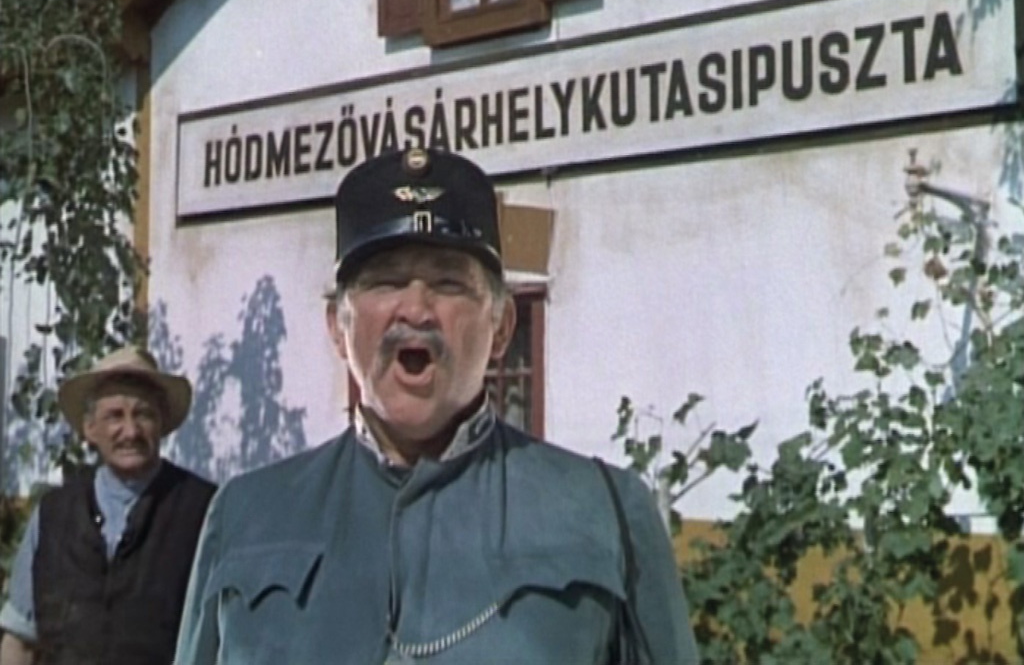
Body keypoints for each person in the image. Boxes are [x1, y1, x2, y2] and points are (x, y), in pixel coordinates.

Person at [174, 148, 700, 664]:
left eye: (449, 283)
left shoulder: (604, 510)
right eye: (386, 281)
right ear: (338, 326)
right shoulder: (246, 515)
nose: (417, 309)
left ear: (502, 327)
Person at [0, 346, 217, 665]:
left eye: (143, 414)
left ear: (162, 423)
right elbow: (20, 639)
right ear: (90, 429)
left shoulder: (204, 510)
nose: (131, 431)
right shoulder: (52, 515)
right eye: (115, 415)